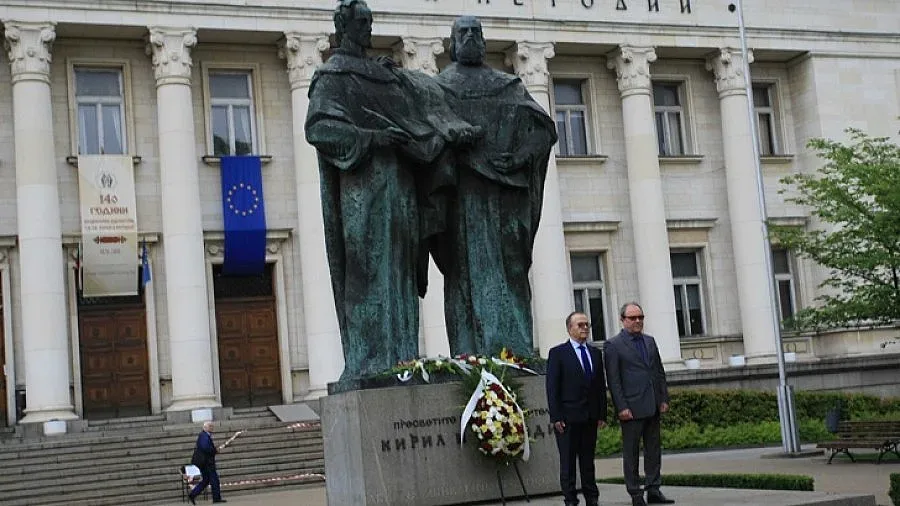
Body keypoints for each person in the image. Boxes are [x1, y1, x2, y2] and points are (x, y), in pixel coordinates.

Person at [306, 0, 476, 384]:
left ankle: (401, 361)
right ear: (343, 25)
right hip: (363, 193)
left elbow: (421, 113)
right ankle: (370, 364)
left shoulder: (383, 73)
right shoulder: (333, 76)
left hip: (399, 188)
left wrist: (439, 136)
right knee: (368, 276)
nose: (368, 28)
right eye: (361, 21)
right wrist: (375, 138)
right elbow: (320, 128)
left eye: (369, 20)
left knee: (399, 276)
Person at [431, 15, 558, 358]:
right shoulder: (439, 88)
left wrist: (518, 159)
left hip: (506, 196)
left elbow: (544, 131)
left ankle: (514, 351)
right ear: (452, 43)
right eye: (464, 33)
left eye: (476, 32)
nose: (471, 38)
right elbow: (429, 135)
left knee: (511, 270)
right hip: (463, 194)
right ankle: (470, 352)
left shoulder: (508, 85)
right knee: (463, 275)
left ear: (484, 41)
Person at [604, 303, 674, 506]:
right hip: (631, 409)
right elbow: (614, 380)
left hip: (652, 404)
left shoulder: (650, 341)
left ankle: (654, 489)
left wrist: (663, 398)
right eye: (633, 318)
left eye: (640, 317)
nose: (637, 321)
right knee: (632, 452)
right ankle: (635, 493)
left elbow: (658, 372)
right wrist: (621, 407)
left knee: (654, 451)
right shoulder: (613, 345)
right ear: (623, 319)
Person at [545, 312, 608, 506]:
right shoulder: (558, 353)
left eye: (587, 324)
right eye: (580, 325)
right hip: (568, 418)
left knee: (588, 461)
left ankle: (592, 497)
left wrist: (601, 414)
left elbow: (599, 386)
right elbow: (552, 387)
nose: (585, 328)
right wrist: (556, 417)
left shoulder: (595, 353)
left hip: (590, 417)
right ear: (570, 328)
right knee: (568, 462)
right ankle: (570, 498)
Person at [188, 421, 226, 504]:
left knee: (206, 480)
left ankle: (193, 494)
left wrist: (214, 450)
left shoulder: (205, 436)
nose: (212, 428)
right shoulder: (203, 435)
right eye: (210, 426)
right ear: (205, 428)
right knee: (214, 480)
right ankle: (216, 498)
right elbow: (205, 448)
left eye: (212, 426)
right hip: (207, 463)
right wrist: (215, 450)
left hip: (205, 462)